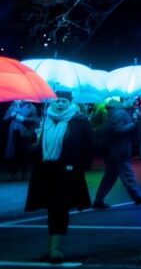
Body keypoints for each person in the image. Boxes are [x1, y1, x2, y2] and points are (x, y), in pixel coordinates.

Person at [25, 91, 93, 263]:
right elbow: (35, 149)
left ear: (70, 102)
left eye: (64, 100)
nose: (60, 103)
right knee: (52, 209)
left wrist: (81, 169)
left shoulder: (79, 120)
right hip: (45, 171)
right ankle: (51, 249)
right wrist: (37, 138)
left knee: (60, 208)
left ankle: (56, 250)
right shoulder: (45, 120)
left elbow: (89, 146)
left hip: (67, 173)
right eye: (57, 100)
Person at [92, 97, 141, 208]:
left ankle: (98, 201)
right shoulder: (120, 113)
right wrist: (134, 124)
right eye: (130, 100)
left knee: (109, 178)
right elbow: (118, 130)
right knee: (127, 175)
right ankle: (138, 197)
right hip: (119, 150)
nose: (133, 102)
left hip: (113, 150)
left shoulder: (113, 113)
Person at [5, 99, 38, 180]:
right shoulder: (12, 106)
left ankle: (24, 173)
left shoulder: (31, 107)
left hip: (25, 133)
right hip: (13, 133)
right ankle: (12, 172)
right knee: (13, 152)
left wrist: (24, 119)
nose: (19, 99)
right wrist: (11, 115)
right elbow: (4, 119)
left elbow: (36, 120)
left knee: (24, 153)